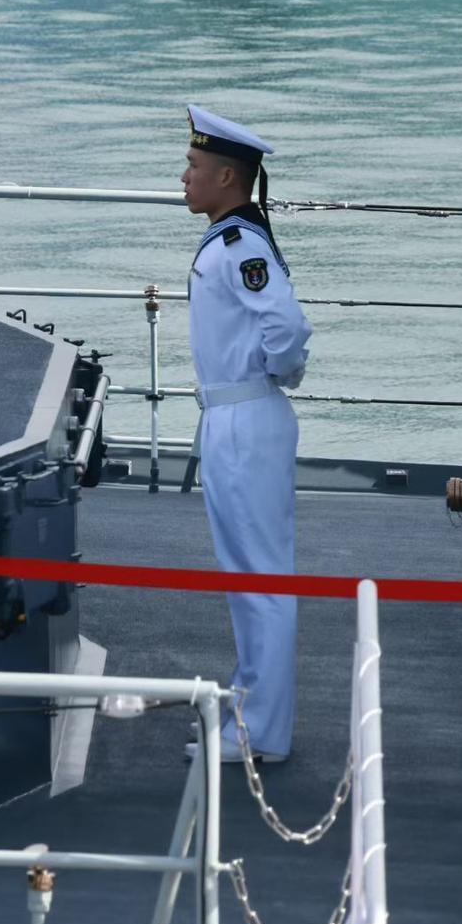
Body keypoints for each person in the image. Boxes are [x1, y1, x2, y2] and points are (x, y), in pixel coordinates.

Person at [181, 104, 311, 766]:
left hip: (245, 417)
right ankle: (251, 710)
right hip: (232, 416)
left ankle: (262, 731)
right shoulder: (230, 240)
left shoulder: (241, 246)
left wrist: (273, 375)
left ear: (227, 177)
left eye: (194, 166)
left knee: (260, 577)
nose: (183, 177)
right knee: (247, 575)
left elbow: (287, 328)